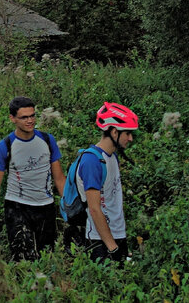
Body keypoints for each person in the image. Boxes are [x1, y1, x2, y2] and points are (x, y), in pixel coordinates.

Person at [0, 96, 64, 260]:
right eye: (24, 117)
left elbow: (59, 178)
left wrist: (69, 206)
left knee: (47, 257)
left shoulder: (47, 140)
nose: (30, 121)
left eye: (32, 116)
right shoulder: (4, 146)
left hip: (45, 206)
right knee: (23, 259)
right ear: (12, 118)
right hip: (18, 207)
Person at [74, 101, 138, 262]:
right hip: (99, 242)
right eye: (128, 133)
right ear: (114, 132)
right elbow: (94, 209)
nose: (130, 139)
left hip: (116, 235)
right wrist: (112, 247)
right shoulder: (92, 161)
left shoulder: (112, 157)